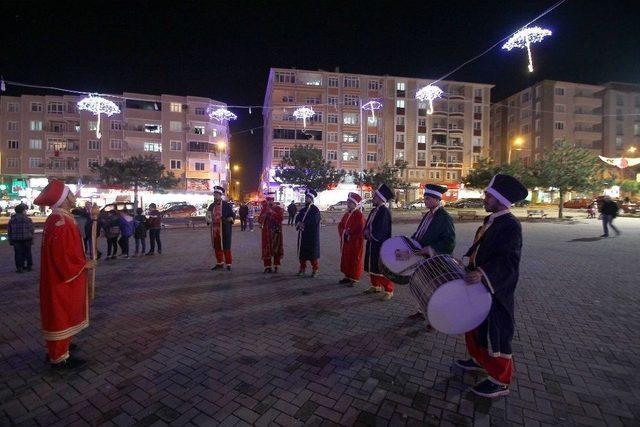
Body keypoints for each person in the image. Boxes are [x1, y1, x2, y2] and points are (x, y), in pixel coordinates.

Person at [455, 173, 528, 398]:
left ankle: (500, 381)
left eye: (488, 195)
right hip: (480, 286)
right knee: (477, 328)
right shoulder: (493, 220)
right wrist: (468, 263)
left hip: (496, 291)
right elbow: (483, 250)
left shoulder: (510, 225)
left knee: (498, 333)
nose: (484, 197)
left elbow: (508, 261)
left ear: (500, 199)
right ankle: (479, 361)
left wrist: (483, 274)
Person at [34, 179, 94, 369]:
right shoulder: (61, 222)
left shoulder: (60, 218)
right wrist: (84, 264)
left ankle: (63, 345)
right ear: (64, 198)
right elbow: (63, 256)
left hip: (59, 278)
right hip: (62, 279)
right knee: (60, 313)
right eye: (70, 193)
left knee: (63, 312)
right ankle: (59, 357)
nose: (74, 196)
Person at [407, 184, 456, 321]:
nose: (425, 201)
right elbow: (420, 233)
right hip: (424, 258)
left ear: (437, 200)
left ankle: (436, 318)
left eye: (428, 198)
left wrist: (431, 249)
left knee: (434, 289)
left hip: (436, 260)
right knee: (423, 287)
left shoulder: (444, 217)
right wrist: (410, 243)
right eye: (425, 198)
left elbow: (449, 241)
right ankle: (422, 311)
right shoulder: (428, 215)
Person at [363, 184, 394, 300]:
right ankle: (375, 286)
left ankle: (389, 290)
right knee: (372, 265)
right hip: (372, 244)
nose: (373, 198)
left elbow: (382, 229)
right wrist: (365, 232)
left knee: (381, 268)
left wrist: (371, 235)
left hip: (380, 244)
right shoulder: (374, 211)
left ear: (381, 199)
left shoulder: (384, 212)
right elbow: (368, 224)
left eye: (375, 197)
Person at [337, 192, 365, 286]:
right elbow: (341, 225)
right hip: (347, 241)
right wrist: (344, 232)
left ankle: (355, 278)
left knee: (354, 259)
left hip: (355, 242)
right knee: (346, 258)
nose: (348, 204)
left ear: (355, 204)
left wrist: (350, 232)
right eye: (347, 202)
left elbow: (360, 228)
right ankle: (347, 276)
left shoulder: (358, 215)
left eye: (350, 202)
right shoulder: (346, 215)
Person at [208, 186, 236, 270]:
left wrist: (228, 219)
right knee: (217, 246)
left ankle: (228, 264)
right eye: (214, 194)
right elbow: (208, 215)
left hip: (224, 229)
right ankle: (219, 263)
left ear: (220, 195)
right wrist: (208, 219)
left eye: (217, 194)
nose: (215, 196)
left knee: (226, 246)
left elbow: (232, 215)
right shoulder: (211, 205)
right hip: (215, 230)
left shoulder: (226, 205)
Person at [295, 189, 321, 277]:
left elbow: (315, 221)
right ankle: (302, 268)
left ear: (312, 199)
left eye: (308, 198)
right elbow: (298, 218)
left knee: (312, 254)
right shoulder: (303, 209)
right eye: (306, 197)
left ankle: (315, 270)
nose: (306, 199)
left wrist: (305, 224)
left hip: (312, 236)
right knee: (302, 254)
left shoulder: (315, 210)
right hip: (304, 235)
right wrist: (298, 223)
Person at [258, 194, 284, 273]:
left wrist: (272, 213)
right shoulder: (264, 209)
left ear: (273, 200)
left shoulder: (278, 208)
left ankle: (276, 265)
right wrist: (264, 215)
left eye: (271, 200)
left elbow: (280, 218)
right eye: (268, 200)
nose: (270, 202)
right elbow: (260, 219)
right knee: (267, 249)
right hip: (266, 232)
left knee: (276, 249)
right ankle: (267, 266)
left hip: (276, 232)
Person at [7, 204, 35, 273]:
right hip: (27, 238)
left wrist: (10, 240)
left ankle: (20, 267)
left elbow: (9, 231)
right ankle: (29, 266)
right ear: (23, 211)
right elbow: (31, 229)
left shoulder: (12, 220)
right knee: (28, 253)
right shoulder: (27, 219)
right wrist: (32, 238)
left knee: (18, 254)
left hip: (16, 240)